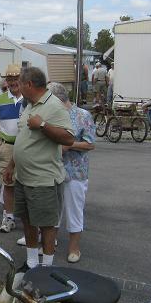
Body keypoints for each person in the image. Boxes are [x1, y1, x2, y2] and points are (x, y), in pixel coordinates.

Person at [3, 67, 74, 269]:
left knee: (47, 224)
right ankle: (32, 261)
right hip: (24, 178)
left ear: (29, 84)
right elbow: (23, 138)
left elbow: (69, 137)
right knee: (27, 220)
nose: (17, 87)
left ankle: (47, 266)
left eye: (20, 83)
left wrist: (43, 125)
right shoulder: (30, 105)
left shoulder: (54, 106)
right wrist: (11, 164)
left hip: (43, 179)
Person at [47, 82, 95, 263]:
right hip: (53, 170)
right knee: (53, 210)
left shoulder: (83, 115)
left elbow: (90, 144)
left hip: (75, 172)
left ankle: (74, 248)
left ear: (59, 99)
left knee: (74, 210)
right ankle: (51, 242)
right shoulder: (52, 115)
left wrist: (69, 144)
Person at [0, 63, 24, 233]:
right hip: (7, 146)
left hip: (26, 148)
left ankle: (29, 222)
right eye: (9, 79)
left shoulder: (30, 98)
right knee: (8, 183)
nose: (12, 82)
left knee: (26, 184)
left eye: (15, 78)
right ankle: (8, 217)